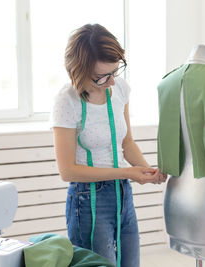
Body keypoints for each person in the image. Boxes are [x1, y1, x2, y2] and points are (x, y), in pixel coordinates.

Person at [51, 23, 167, 267]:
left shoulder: (121, 89)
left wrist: (146, 171)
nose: (112, 81)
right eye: (102, 76)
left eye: (115, 71)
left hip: (123, 196)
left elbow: (127, 143)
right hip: (87, 200)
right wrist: (127, 172)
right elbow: (67, 171)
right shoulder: (67, 101)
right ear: (78, 71)